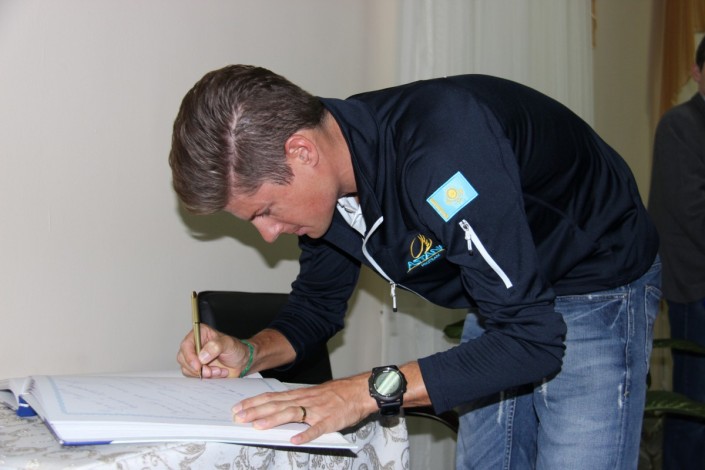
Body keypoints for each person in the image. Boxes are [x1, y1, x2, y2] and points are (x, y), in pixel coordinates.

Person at [170, 65, 660, 469]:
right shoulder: (332, 185)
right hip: (503, 295)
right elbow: (316, 308)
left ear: (301, 152)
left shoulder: (440, 157)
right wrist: (249, 353)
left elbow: (532, 341)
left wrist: (361, 393)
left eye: (265, 210)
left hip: (595, 276)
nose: (267, 233)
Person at [648, 35, 705, 470]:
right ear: (695, 72)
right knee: (694, 403)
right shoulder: (680, 125)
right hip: (696, 284)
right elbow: (692, 210)